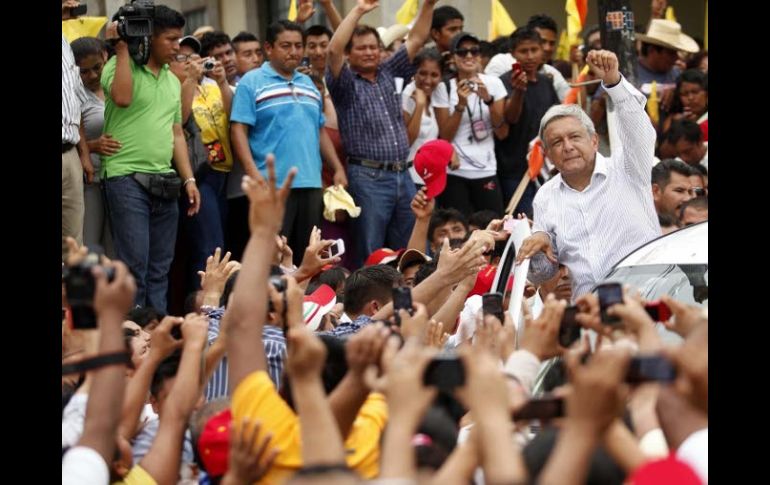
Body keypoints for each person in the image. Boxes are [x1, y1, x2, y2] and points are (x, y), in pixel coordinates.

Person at [516, 50, 660, 300]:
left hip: (647, 300)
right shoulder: (545, 197)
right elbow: (542, 273)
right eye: (557, 142)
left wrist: (614, 82)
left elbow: (640, 129)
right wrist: (536, 244)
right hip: (590, 314)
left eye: (575, 137)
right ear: (548, 154)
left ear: (594, 141)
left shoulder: (628, 167)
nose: (568, 147)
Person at [101, 5, 201, 311]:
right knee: (134, 268)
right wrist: (120, 49)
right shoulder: (120, 65)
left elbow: (176, 134)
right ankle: (134, 342)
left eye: (179, 39)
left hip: (165, 183)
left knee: (160, 270)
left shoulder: (173, 80)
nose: (176, 46)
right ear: (149, 37)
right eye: (170, 39)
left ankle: (156, 340)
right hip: (125, 177)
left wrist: (189, 179)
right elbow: (122, 97)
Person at [326, 0, 439, 266]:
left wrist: (429, 5)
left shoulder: (388, 71)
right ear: (350, 54)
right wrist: (359, 10)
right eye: (361, 48)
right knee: (370, 249)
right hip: (368, 177)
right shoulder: (344, 83)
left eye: (373, 47)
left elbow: (418, 38)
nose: (368, 52)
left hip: (402, 173)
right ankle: (370, 305)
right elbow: (333, 50)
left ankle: (415, 299)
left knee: (413, 248)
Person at [231, 20, 346, 264]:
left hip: (311, 182)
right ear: (268, 48)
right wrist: (253, 172)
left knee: (308, 255)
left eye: (298, 45)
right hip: (272, 184)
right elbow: (238, 130)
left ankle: (305, 302)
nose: (294, 51)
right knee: (274, 256)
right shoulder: (251, 83)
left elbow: (320, 131)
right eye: (286, 45)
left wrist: (336, 168)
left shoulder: (310, 85)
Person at [434, 32, 508, 216]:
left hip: (486, 168)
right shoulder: (445, 87)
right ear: (452, 57)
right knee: (459, 230)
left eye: (474, 51)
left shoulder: (494, 83)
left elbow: (502, 132)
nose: (469, 56)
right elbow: (445, 136)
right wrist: (460, 104)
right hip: (455, 171)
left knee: (492, 227)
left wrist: (488, 100)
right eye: (462, 52)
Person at [495, 27, 560, 215]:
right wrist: (519, 91)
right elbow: (510, 118)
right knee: (523, 222)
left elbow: (554, 118)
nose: (530, 56)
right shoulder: (504, 82)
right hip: (515, 169)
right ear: (513, 54)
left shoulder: (546, 82)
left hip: (546, 168)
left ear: (542, 50)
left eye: (534, 50)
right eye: (524, 51)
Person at [71, 36, 115, 257]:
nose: (93, 76)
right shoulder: (74, 95)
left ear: (105, 56)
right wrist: (93, 146)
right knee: (89, 246)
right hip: (91, 182)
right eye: (84, 72)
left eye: (97, 67)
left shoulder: (117, 85)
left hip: (120, 178)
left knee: (114, 248)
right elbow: (69, 139)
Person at [62, 1, 94, 260]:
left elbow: (76, 103)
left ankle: (70, 302)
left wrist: (83, 153)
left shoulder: (65, 44)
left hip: (70, 152)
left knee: (73, 245)